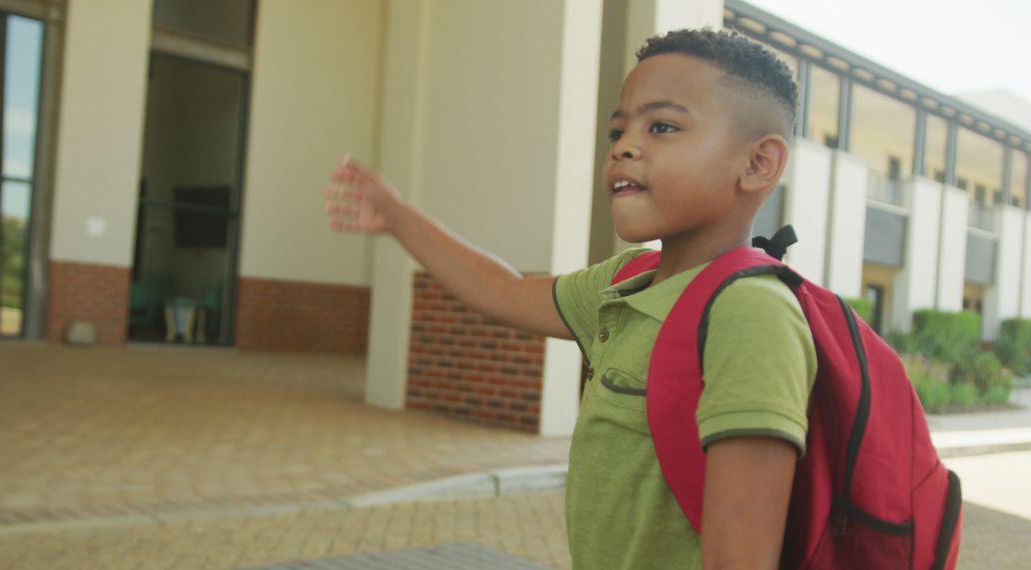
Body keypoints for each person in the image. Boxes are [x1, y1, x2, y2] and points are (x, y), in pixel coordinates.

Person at [326, 28, 816, 570]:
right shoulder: (632, 279)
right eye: (617, 130)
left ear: (758, 164)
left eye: (662, 126)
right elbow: (505, 290)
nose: (625, 146)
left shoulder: (752, 315)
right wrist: (395, 216)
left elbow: (741, 556)